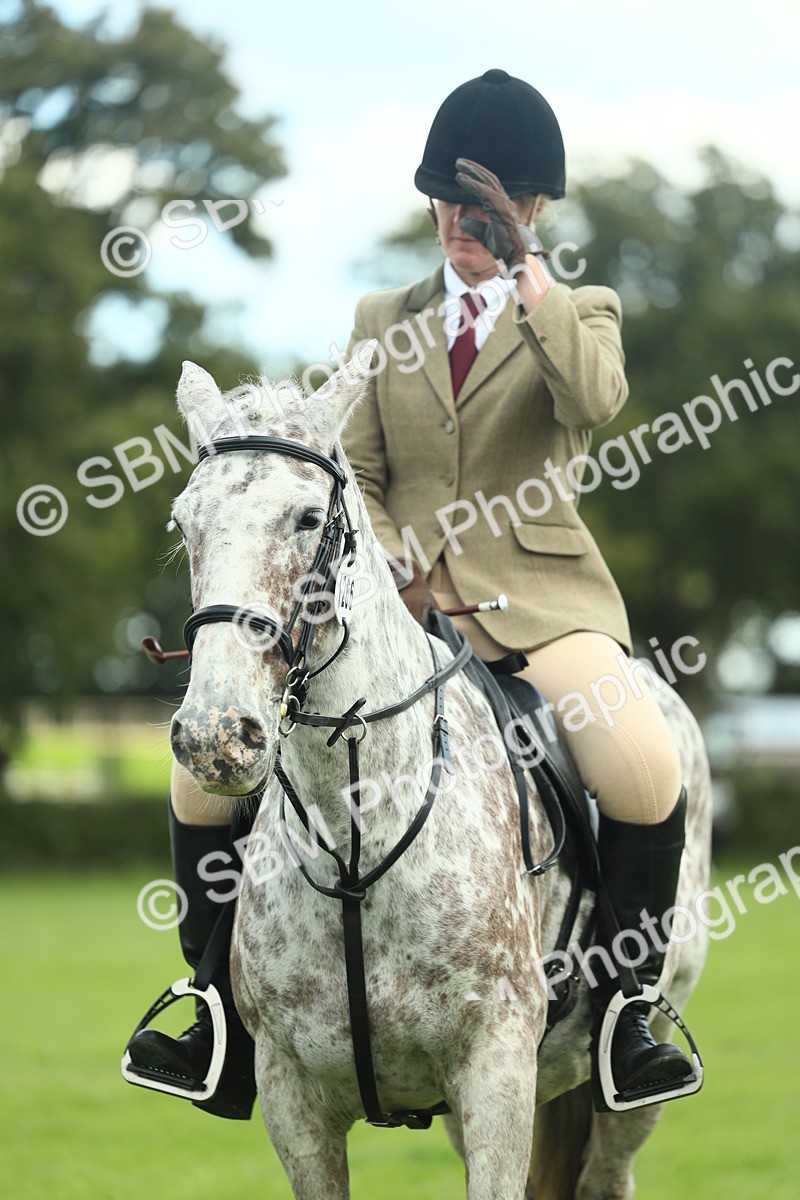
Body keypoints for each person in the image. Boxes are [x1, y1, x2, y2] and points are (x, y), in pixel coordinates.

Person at [341, 68, 695, 1109]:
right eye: (450, 203)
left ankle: (631, 1010)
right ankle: (212, 1000)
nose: (461, 223)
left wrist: (523, 272)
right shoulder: (380, 317)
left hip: (541, 610)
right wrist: (390, 562)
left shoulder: (582, 309)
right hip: (397, 612)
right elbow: (355, 467)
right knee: (211, 772)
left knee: (639, 768)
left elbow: (592, 400)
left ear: (529, 208)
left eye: (487, 207)